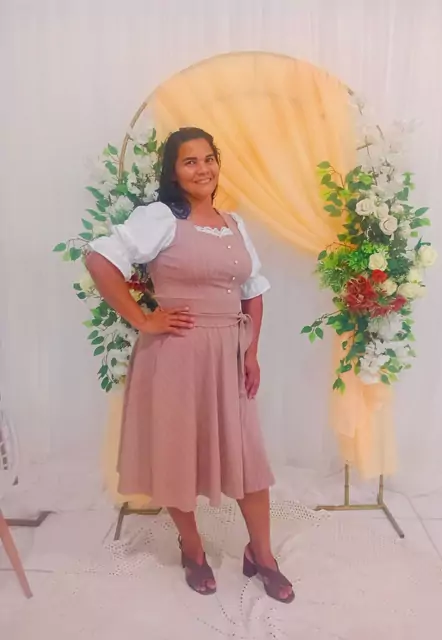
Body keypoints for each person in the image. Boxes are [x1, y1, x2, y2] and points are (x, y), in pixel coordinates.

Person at [86, 127, 294, 603]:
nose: (203, 169)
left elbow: (253, 290)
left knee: (248, 458)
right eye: (190, 161)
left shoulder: (233, 223)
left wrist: (251, 352)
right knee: (177, 452)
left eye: (209, 158)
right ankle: (193, 548)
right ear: (173, 172)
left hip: (229, 354)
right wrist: (143, 319)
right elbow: (99, 260)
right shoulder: (160, 218)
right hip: (175, 354)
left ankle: (262, 554)